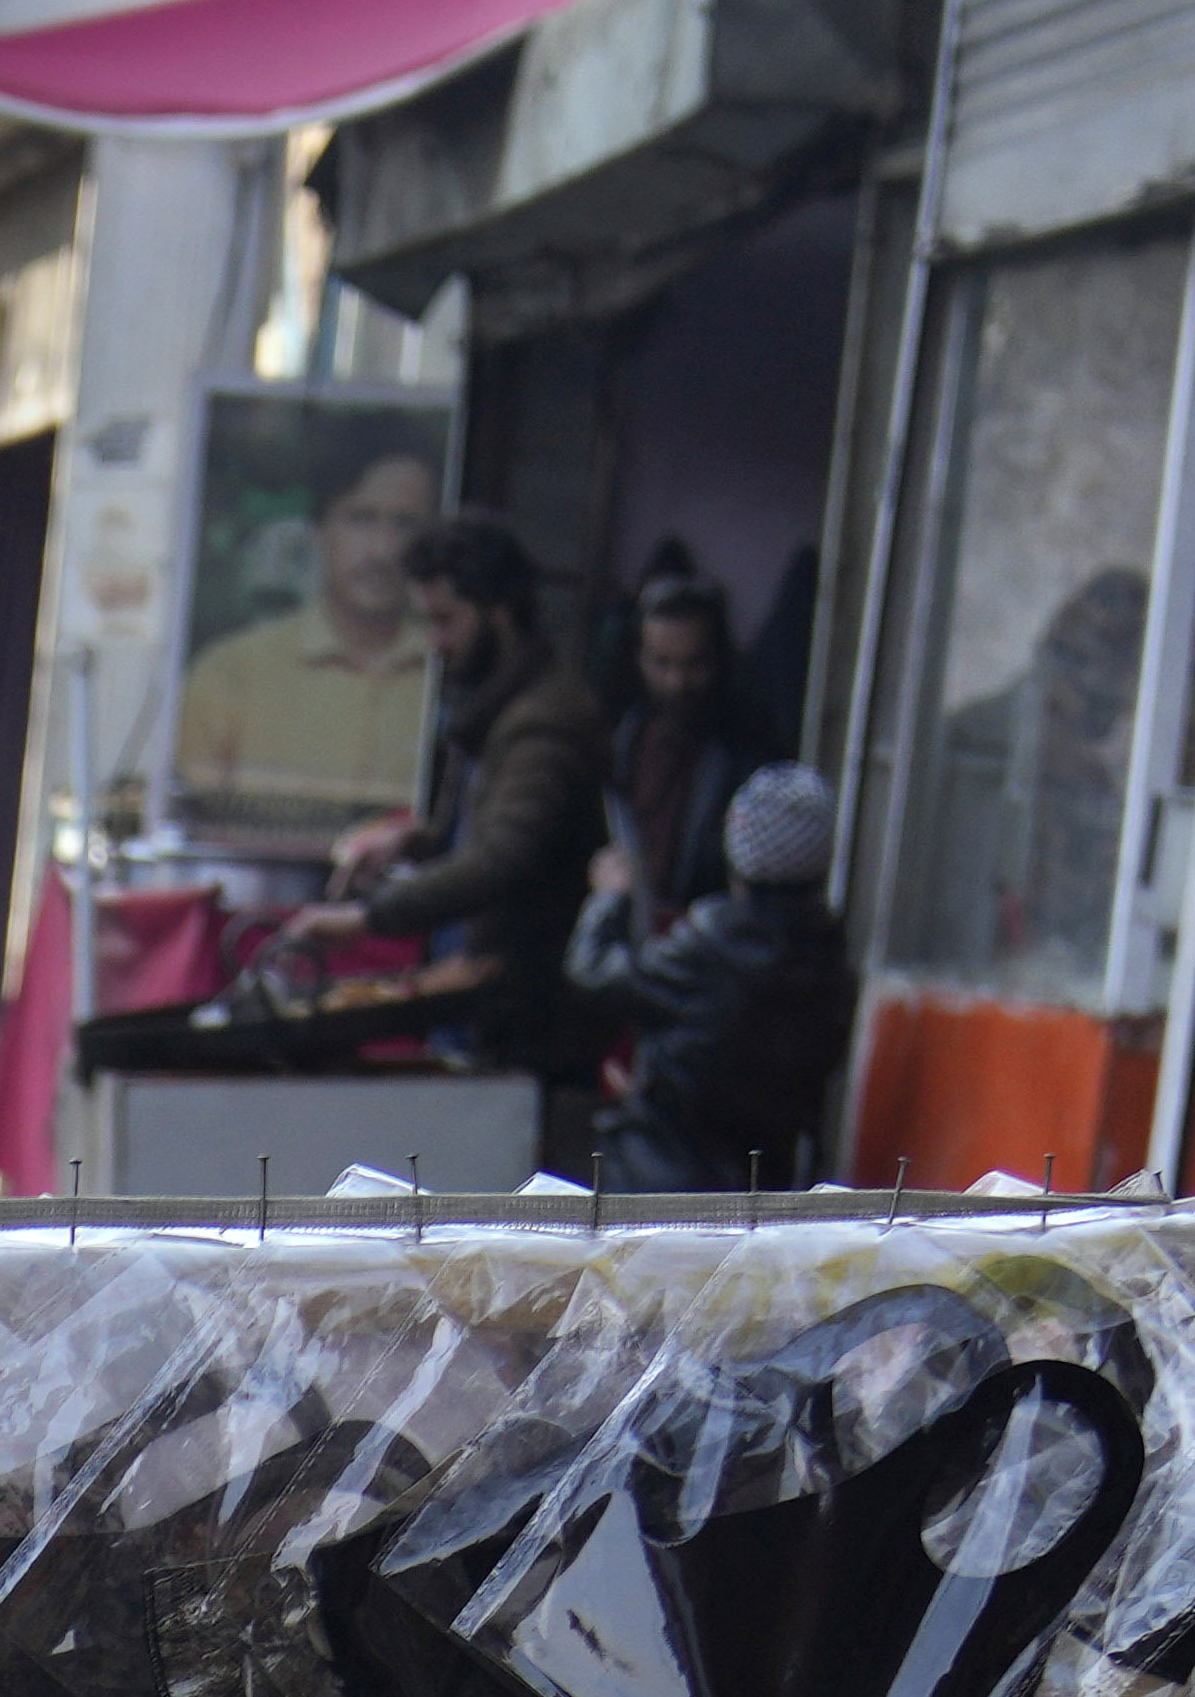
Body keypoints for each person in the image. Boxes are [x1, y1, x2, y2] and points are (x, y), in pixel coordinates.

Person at [341, 511, 609, 1054]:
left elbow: (508, 854)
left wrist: (369, 917)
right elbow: (466, 831)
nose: (435, 643)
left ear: (500, 611)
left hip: (519, 1020)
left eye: (446, 621)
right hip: (464, 999)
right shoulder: (490, 705)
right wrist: (412, 842)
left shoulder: (545, 719)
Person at [172, 430, 449, 844]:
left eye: (405, 525)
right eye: (361, 519)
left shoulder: (447, 674)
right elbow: (190, 823)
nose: (382, 550)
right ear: (320, 531)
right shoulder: (230, 673)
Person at [594, 756, 854, 1195]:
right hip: (765, 1190)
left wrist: (608, 899)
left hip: (661, 1183)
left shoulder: (706, 945)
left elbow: (595, 973)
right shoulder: (831, 961)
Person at [600, 561, 762, 927]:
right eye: (662, 664)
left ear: (720, 660)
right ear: (640, 660)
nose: (677, 683)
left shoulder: (747, 756)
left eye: (694, 665)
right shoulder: (625, 740)